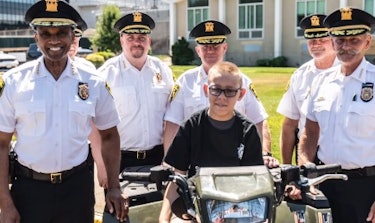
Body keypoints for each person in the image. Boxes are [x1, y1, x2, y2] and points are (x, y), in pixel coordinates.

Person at [0, 1, 128, 222]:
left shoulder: (93, 83)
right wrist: (5, 203)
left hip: (76, 190)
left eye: (61, 32)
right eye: (46, 33)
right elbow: (1, 144)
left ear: (72, 36)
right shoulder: (14, 82)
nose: (54, 40)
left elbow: (109, 135)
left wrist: (114, 187)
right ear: (36, 38)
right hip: (29, 191)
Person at [298, 7, 375, 223]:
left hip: (368, 189)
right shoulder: (320, 82)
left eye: (354, 40)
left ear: (367, 42)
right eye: (340, 40)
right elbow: (309, 132)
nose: (346, 46)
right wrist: (305, 173)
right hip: (324, 184)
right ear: (332, 42)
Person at [159, 61, 264, 222]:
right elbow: (177, 180)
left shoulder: (248, 131)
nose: (222, 97)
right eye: (216, 90)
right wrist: (163, 219)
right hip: (196, 203)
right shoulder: (191, 126)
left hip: (237, 205)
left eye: (230, 91)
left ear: (241, 94)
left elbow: (253, 184)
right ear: (206, 90)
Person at [163, 20, 278, 167]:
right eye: (205, 47)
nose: (210, 51)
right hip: (195, 164)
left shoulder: (242, 81)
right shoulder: (185, 82)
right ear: (198, 50)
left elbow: (259, 121)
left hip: (234, 164)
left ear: (224, 48)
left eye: (215, 46)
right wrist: (169, 166)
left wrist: (265, 154)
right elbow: (173, 124)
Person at [89, 12, 174, 185]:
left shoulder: (163, 71)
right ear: (121, 40)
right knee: (119, 212)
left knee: (156, 210)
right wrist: (102, 166)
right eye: (131, 37)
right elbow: (93, 125)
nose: (137, 42)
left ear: (149, 41)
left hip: (157, 158)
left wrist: (170, 159)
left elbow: (171, 119)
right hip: (118, 159)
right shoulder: (106, 74)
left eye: (142, 37)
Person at [277, 14, 338, 164]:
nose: (316, 44)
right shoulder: (300, 75)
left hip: (339, 154)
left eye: (322, 39)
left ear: (334, 41)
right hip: (306, 153)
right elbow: (289, 124)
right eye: (312, 40)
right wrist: (287, 167)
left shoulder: (347, 72)